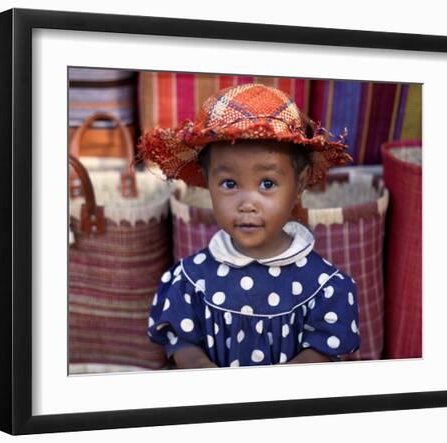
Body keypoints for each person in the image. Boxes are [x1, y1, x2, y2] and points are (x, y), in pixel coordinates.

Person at [137, 83, 360, 368]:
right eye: (229, 184)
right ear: (208, 182)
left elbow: (322, 351)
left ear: (300, 183)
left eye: (267, 184)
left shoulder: (324, 287)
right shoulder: (190, 281)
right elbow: (182, 344)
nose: (247, 203)